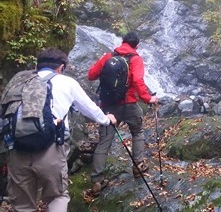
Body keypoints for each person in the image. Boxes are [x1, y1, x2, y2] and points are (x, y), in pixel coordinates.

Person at [5, 47, 117, 211]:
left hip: (17, 149)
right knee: (57, 196)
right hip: (50, 148)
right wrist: (107, 120)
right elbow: (89, 108)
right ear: (61, 67)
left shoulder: (19, 82)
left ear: (37, 66)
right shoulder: (67, 82)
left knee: (22, 205)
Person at [87, 31, 158, 196]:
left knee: (104, 142)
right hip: (129, 104)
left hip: (108, 106)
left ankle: (97, 181)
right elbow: (138, 81)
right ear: (137, 46)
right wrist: (148, 99)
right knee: (137, 131)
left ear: (122, 41)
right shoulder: (135, 58)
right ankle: (138, 165)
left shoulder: (108, 56)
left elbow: (91, 75)